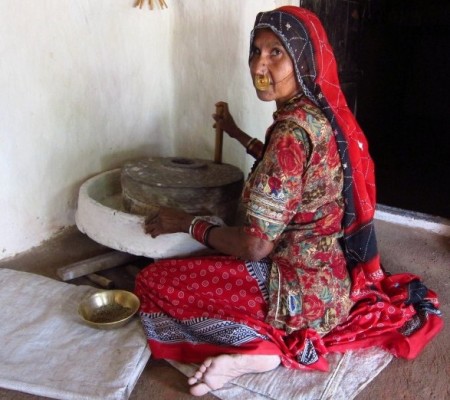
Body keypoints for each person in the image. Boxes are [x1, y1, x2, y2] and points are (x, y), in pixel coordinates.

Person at [135, 6, 443, 397]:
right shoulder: (315, 115)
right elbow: (287, 173)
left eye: (276, 52)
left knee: (155, 281)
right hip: (331, 284)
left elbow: (255, 246)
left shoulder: (290, 134)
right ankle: (268, 340)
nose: (260, 64)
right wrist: (235, 133)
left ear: (302, 59)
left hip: (292, 291)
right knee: (206, 259)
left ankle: (265, 348)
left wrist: (186, 222)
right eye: (256, 52)